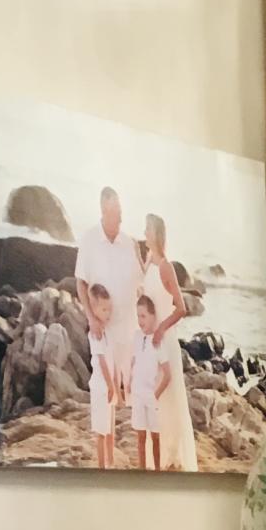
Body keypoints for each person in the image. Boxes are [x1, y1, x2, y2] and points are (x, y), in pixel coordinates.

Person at [140, 213, 198, 471]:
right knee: (154, 397)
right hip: (150, 339)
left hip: (164, 339)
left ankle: (174, 455)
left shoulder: (166, 266)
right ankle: (159, 455)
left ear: (156, 234)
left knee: (170, 399)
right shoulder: (149, 261)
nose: (144, 233)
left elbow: (181, 307)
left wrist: (161, 328)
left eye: (148, 229)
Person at [75, 187, 141, 406]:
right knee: (105, 395)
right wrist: (91, 319)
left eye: (121, 211)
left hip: (130, 329)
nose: (121, 218)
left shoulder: (129, 243)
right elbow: (81, 282)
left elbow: (141, 285)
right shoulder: (89, 240)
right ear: (104, 210)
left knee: (134, 395)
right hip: (104, 329)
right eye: (116, 212)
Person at [130, 293, 170, 471]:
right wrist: (129, 382)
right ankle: (142, 470)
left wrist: (156, 394)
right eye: (138, 316)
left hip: (151, 396)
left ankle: (157, 471)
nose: (140, 320)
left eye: (143, 316)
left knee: (155, 437)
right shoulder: (137, 336)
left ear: (153, 316)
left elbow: (168, 375)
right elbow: (134, 360)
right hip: (137, 394)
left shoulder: (158, 342)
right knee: (140, 436)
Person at [86, 283, 119, 469]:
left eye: (109, 309)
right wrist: (111, 385)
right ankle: (101, 466)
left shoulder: (107, 332)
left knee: (111, 429)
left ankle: (111, 461)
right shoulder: (95, 334)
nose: (108, 313)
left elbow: (113, 361)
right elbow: (102, 362)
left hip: (109, 385)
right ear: (94, 309)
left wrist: (115, 384)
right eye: (104, 309)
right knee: (101, 431)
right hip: (100, 386)